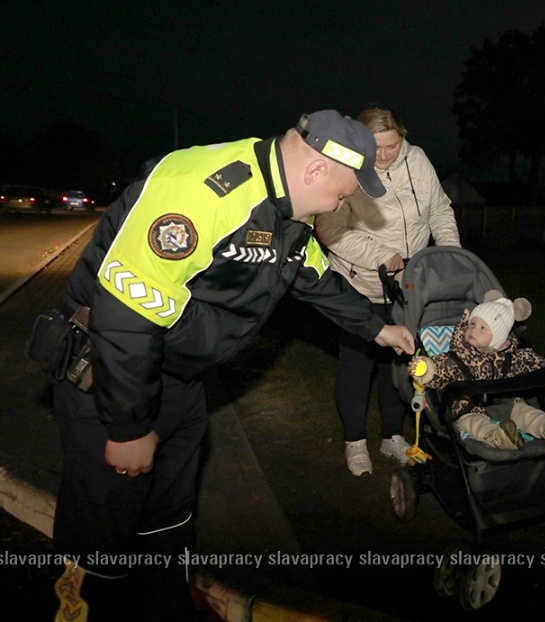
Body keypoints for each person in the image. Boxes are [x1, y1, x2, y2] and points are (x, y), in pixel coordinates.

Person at [46, 110, 415, 621]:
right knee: (103, 532)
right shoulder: (202, 188)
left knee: (168, 521)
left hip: (179, 377)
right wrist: (128, 424)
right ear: (315, 172)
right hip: (111, 373)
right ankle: (82, 613)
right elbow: (126, 311)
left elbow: (313, 278)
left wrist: (378, 328)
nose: (341, 202)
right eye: (343, 191)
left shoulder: (289, 212)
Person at [315, 105, 460, 476]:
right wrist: (381, 255)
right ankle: (355, 442)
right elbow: (330, 231)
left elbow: (439, 210)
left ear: (403, 139)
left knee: (401, 363)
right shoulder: (348, 168)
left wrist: (449, 253)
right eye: (375, 148)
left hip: (408, 286)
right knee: (356, 365)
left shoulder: (418, 160)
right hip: (359, 284)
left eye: (391, 147)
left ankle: (392, 436)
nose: (382, 156)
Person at [408, 291, 545, 451]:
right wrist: (425, 369)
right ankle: (497, 437)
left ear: (499, 339)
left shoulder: (513, 358)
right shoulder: (461, 357)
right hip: (469, 409)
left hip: (507, 404)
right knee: (473, 423)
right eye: (472, 324)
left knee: (525, 412)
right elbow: (441, 368)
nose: (473, 330)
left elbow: (536, 362)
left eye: (482, 328)